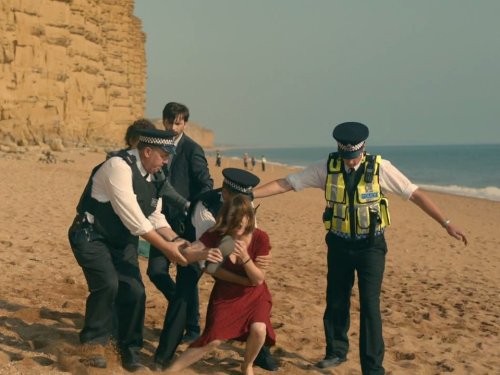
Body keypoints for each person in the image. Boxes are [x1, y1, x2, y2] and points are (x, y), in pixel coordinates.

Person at [253, 122, 468, 375]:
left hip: (371, 247)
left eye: (354, 157)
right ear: (339, 150)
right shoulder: (326, 167)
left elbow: (415, 194)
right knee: (336, 299)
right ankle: (335, 351)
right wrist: (250, 195)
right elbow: (287, 183)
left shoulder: (381, 168)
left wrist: (446, 223)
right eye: (347, 157)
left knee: (370, 305)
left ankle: (373, 367)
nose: (351, 162)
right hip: (338, 243)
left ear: (363, 149)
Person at [68, 128, 223, 372]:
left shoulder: (157, 177)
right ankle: (92, 343)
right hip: (91, 235)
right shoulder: (118, 167)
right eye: (163, 155)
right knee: (108, 284)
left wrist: (181, 242)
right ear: (147, 151)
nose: (166, 161)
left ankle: (129, 351)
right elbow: (134, 220)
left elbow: (154, 216)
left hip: (122, 241)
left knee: (135, 291)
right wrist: (169, 250)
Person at [154, 168, 278, 372]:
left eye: (241, 220)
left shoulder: (251, 221)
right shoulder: (207, 210)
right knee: (188, 307)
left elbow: (256, 276)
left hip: (250, 288)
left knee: (259, 328)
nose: (237, 225)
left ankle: (252, 362)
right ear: (226, 195)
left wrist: (250, 258)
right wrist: (203, 254)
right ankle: (165, 360)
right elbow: (203, 260)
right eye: (232, 221)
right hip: (214, 271)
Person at [148, 102, 214, 346]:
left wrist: (194, 210)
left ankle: (193, 328)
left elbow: (205, 183)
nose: (174, 127)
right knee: (155, 271)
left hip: (186, 223)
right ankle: (182, 307)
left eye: (179, 122)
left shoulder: (192, 149)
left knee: (188, 274)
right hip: (159, 221)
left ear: (185, 123)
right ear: (164, 121)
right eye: (171, 122)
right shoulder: (156, 146)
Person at [107, 119, 189, 214]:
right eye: (140, 143)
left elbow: (164, 187)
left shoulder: (153, 166)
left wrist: (185, 205)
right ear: (131, 141)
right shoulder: (117, 162)